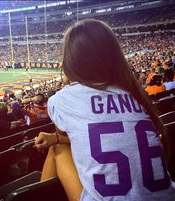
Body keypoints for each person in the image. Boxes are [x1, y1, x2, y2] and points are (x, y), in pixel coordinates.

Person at [34, 19, 175, 201]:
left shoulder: (62, 99)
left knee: (57, 150)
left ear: (71, 59)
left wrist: (57, 139)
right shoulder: (136, 95)